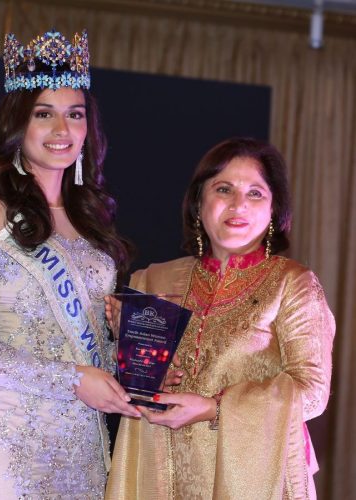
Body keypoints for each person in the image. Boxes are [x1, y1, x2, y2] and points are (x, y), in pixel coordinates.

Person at [0, 29, 140, 500]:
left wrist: (123, 342)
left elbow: (91, 356)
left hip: (85, 454)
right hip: (7, 450)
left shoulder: (93, 227)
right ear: (18, 125)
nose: (62, 131)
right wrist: (72, 380)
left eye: (75, 116)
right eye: (43, 114)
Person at [105, 138, 335, 500]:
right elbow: (136, 383)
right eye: (223, 189)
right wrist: (130, 349)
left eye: (255, 193)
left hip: (257, 477)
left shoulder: (293, 284)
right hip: (164, 470)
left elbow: (312, 393)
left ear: (275, 210)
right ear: (199, 203)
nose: (238, 204)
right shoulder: (153, 282)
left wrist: (215, 408)